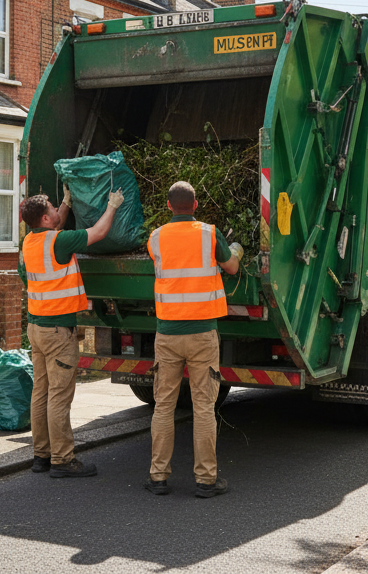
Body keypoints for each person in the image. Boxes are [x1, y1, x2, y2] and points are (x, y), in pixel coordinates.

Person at [144, 181, 242, 498]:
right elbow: (231, 266)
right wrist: (236, 249)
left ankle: (158, 477)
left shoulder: (155, 238)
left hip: (168, 334)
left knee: (163, 407)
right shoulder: (209, 234)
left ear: (169, 206)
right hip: (202, 334)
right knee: (203, 408)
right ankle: (206, 481)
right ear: (196, 204)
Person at [20, 186, 123, 478]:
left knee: (41, 392)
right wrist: (113, 205)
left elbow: (57, 223)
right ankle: (62, 460)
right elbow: (98, 232)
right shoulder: (60, 242)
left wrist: (65, 202)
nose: (57, 212)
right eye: (53, 208)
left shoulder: (29, 242)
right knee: (59, 396)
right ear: (44, 218)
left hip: (36, 328)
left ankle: (41, 455)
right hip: (57, 331)